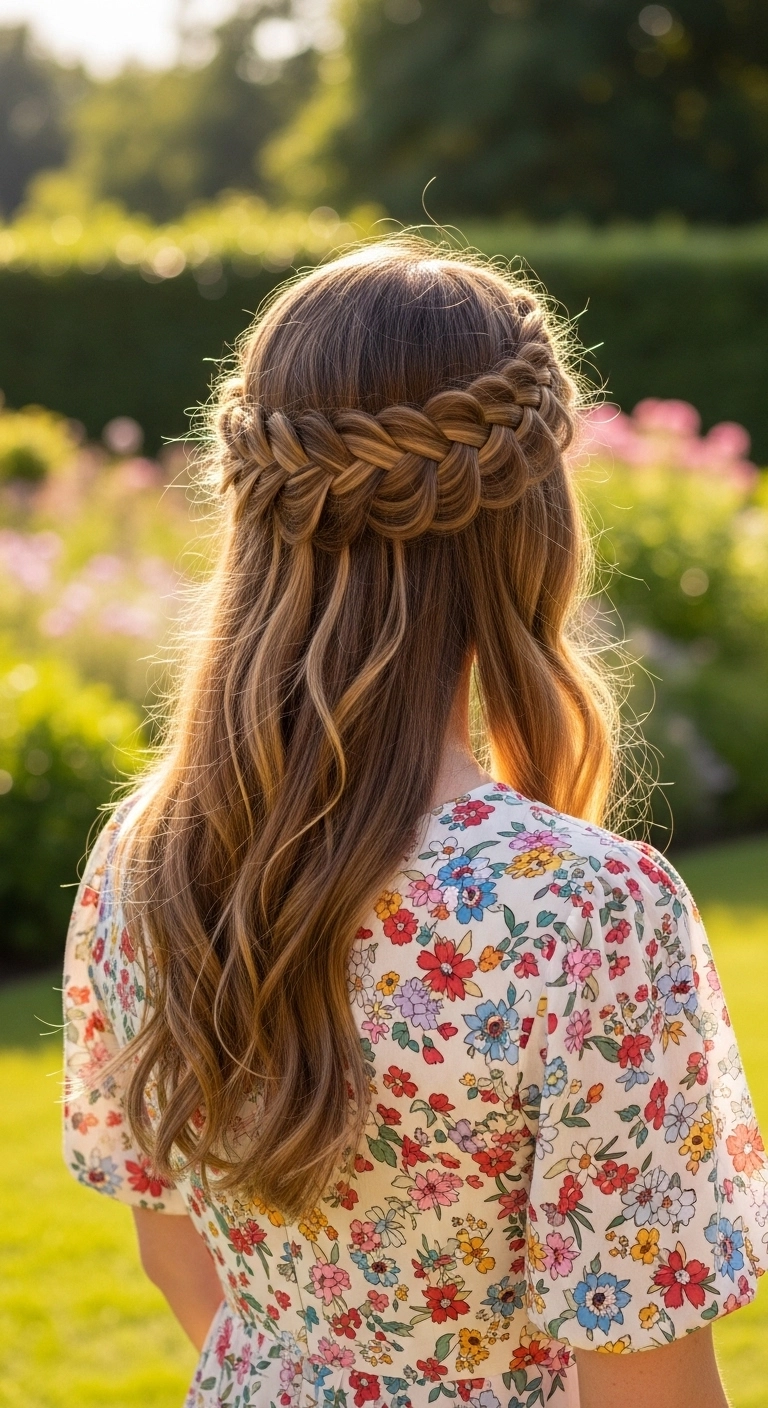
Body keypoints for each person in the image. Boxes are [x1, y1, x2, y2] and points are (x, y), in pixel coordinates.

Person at [62, 240, 765, 1408]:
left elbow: (174, 1246)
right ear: (532, 525)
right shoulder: (584, 915)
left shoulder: (148, 857)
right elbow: (654, 1388)